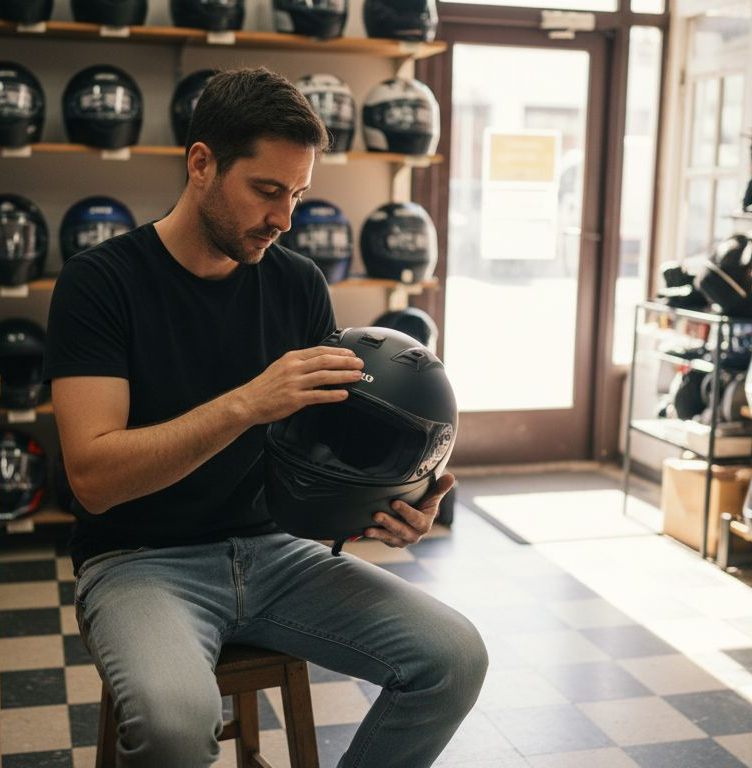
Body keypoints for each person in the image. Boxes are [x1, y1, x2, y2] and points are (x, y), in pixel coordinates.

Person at [44, 67, 487, 768]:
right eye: (268, 191)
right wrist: (247, 403)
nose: (284, 218)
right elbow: (94, 479)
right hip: (140, 563)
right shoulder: (101, 285)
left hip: (279, 553)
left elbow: (326, 451)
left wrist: (396, 503)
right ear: (201, 164)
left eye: (299, 194)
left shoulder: (297, 283)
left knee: (454, 659)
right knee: (175, 724)